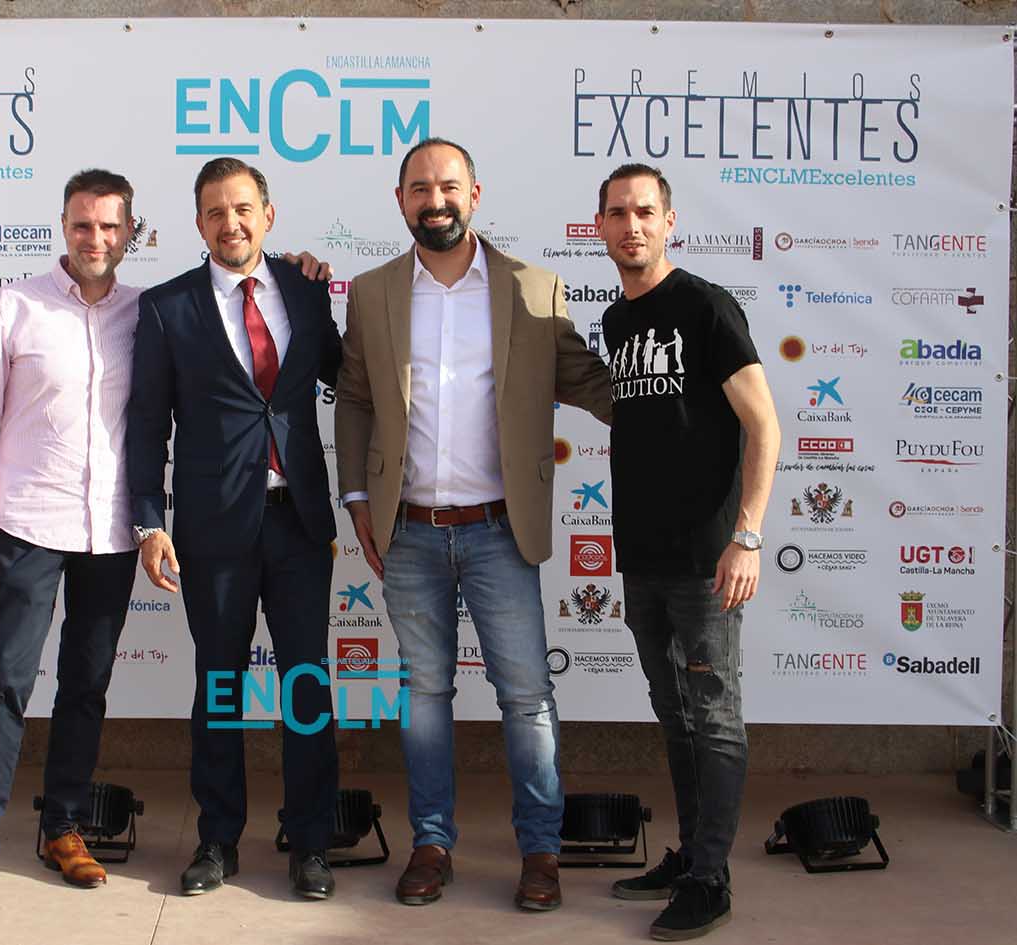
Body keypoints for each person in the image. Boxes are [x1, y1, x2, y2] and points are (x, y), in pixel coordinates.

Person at [0, 168, 329, 911]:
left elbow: (334, 373)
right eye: (84, 225)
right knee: (11, 684)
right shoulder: (44, 305)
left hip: (164, 530)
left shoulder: (221, 301)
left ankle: (72, 829)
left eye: (110, 226)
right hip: (37, 525)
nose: (97, 238)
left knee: (98, 688)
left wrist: (310, 269)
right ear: (64, 226)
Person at [334, 137, 612, 912]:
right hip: (409, 530)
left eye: (448, 186)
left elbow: (586, 381)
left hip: (500, 530)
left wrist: (674, 409)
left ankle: (541, 850)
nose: (435, 201)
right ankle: (431, 842)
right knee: (424, 692)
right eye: (420, 188)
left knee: (525, 696)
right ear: (400, 200)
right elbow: (353, 397)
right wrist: (355, 499)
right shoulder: (373, 293)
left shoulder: (532, 288)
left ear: (474, 195)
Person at [126, 157, 343, 900]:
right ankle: (217, 838)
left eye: (244, 209)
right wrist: (149, 522)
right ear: (198, 224)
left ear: (267, 215)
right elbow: (147, 425)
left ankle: (310, 842)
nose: (231, 224)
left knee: (306, 684)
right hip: (213, 531)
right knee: (219, 684)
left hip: (299, 524)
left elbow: (345, 375)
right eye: (216, 212)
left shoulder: (305, 292)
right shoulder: (167, 307)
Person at [594, 163, 779, 942]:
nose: (631, 225)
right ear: (600, 227)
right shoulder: (614, 321)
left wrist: (747, 536)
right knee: (674, 714)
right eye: (617, 213)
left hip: (708, 558)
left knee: (714, 717)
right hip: (643, 558)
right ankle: (692, 855)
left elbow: (763, 424)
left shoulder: (705, 306)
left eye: (644, 211)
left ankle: (710, 879)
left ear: (668, 221)